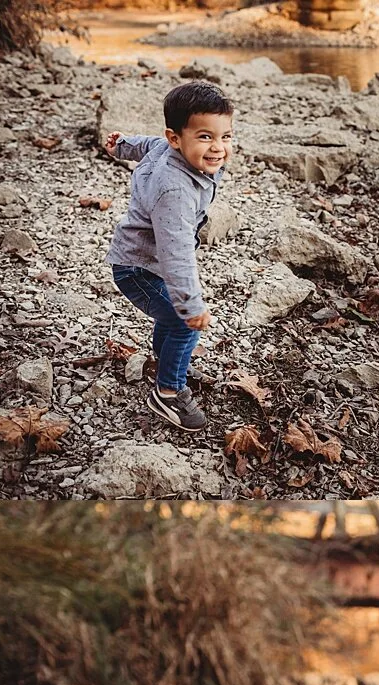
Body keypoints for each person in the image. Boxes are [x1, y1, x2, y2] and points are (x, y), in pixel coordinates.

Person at [104, 81, 234, 434]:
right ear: (177, 138)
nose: (218, 148)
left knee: (171, 315)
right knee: (181, 321)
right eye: (205, 137)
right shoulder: (174, 190)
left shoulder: (168, 148)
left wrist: (122, 146)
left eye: (225, 137)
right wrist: (191, 306)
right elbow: (175, 253)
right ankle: (168, 391)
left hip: (149, 262)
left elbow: (149, 144)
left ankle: (167, 363)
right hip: (138, 268)